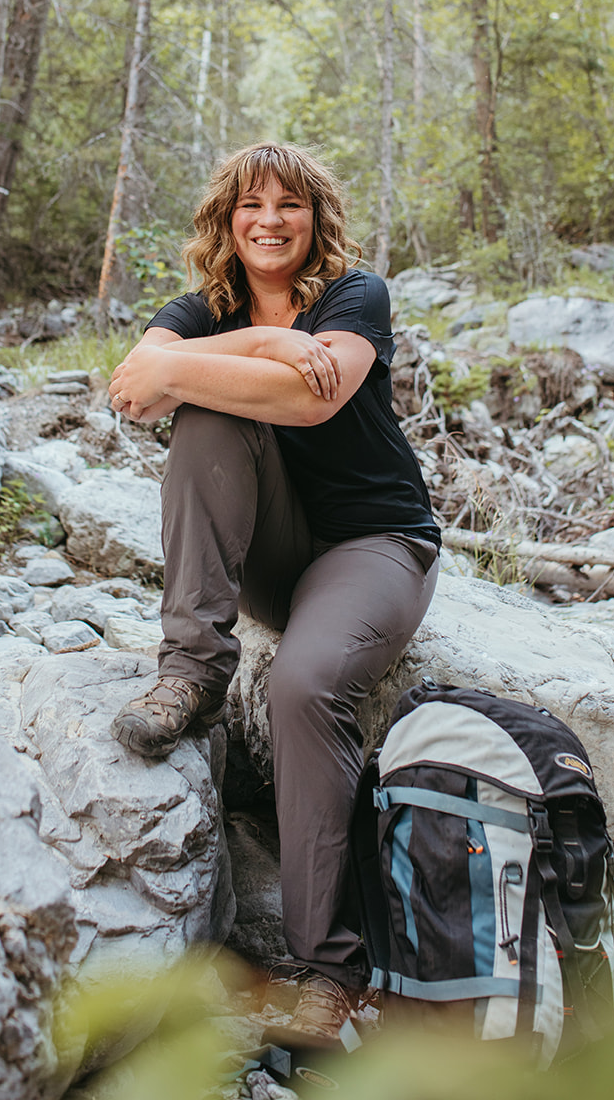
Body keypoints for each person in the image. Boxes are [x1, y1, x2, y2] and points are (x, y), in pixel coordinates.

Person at [108, 142, 440, 1044]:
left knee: (300, 685)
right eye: (250, 205)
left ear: (313, 218)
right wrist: (264, 342)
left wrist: (196, 363)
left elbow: (312, 402)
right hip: (275, 557)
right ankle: (193, 671)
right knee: (208, 413)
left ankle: (328, 973)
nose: (268, 220)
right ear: (226, 219)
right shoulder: (199, 306)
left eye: (288, 204)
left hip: (374, 544)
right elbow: (136, 388)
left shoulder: (353, 296)